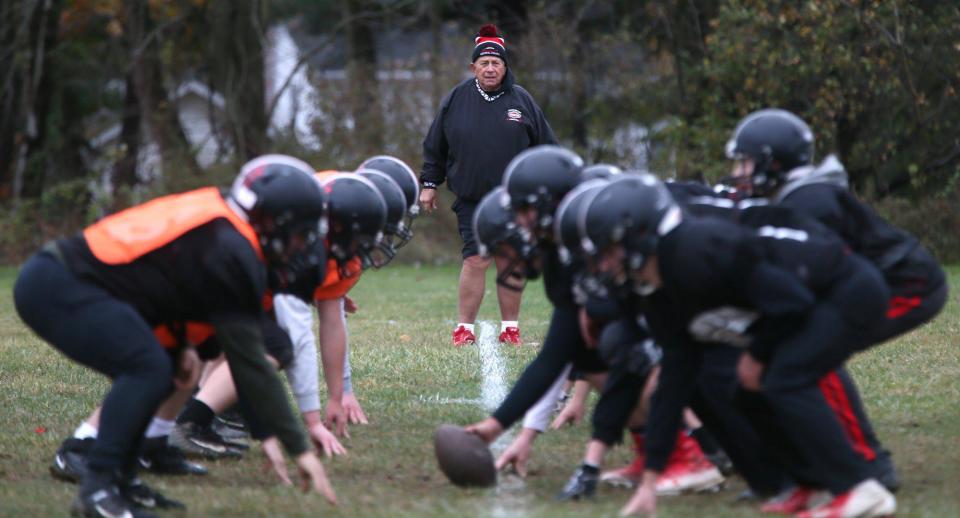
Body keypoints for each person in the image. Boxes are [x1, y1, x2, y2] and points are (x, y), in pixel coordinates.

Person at [14, 155, 338, 516]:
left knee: (166, 370)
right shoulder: (231, 246)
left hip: (79, 282)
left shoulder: (224, 227)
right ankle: (98, 487)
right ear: (273, 220)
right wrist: (299, 448)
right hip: (60, 283)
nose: (300, 245)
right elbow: (248, 360)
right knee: (147, 368)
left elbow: (167, 282)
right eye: (298, 233)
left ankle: (122, 479)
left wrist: (183, 344)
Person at [579, 174, 897, 517]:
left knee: (784, 379)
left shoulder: (695, 250)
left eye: (609, 251)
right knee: (742, 392)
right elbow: (676, 376)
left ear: (639, 234)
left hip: (846, 289)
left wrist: (757, 356)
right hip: (801, 302)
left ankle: (860, 488)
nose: (605, 265)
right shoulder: (656, 291)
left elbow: (792, 301)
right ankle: (810, 482)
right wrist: (650, 480)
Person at [419, 23, 557, 347]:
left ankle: (510, 327)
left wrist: (552, 188)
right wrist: (429, 183)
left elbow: (548, 149)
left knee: (510, 259)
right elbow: (435, 146)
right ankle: (464, 328)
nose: (491, 68)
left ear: (505, 67)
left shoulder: (521, 99)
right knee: (476, 259)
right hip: (472, 199)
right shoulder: (455, 99)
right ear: (473, 67)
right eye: (484, 63)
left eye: (497, 63)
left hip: (516, 200)